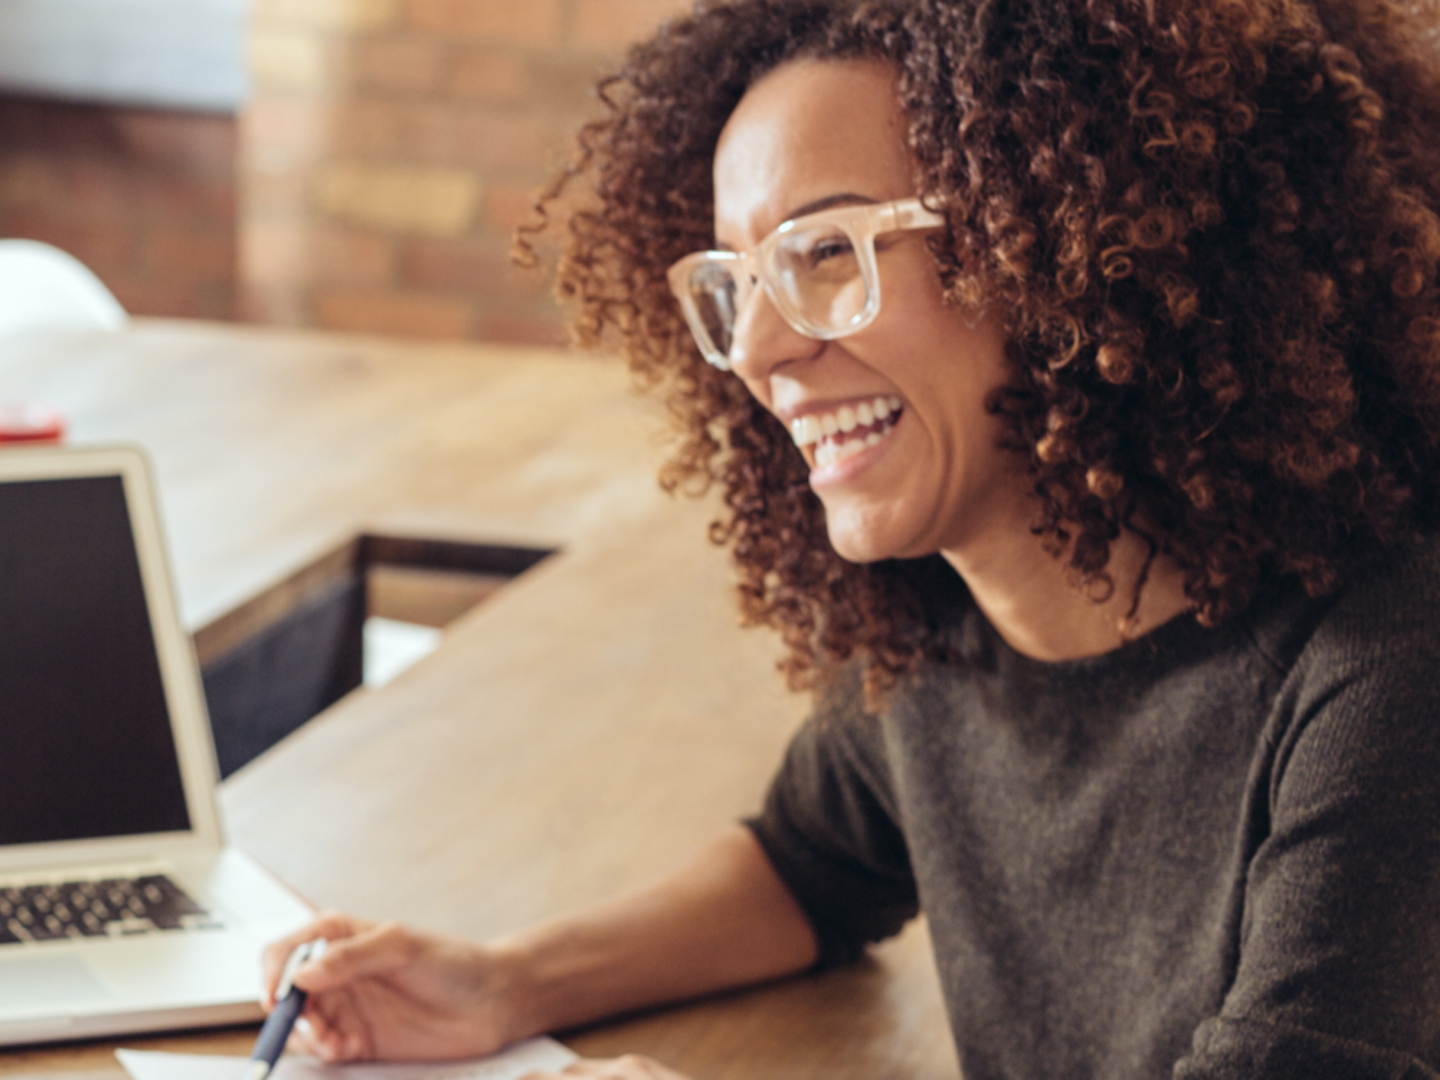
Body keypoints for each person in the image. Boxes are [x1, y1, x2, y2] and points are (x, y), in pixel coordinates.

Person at [263, 0, 1440, 1076]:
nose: (762, 353)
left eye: (829, 254)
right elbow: (807, 867)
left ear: (1071, 246)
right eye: (736, 280)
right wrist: (502, 981)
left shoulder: (1387, 665)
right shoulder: (941, 621)